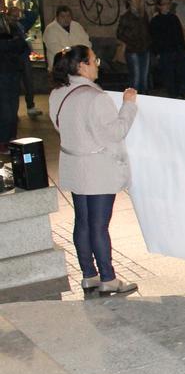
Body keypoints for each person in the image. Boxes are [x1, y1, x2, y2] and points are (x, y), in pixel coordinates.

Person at [48, 45, 140, 296]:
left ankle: (89, 275)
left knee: (83, 222)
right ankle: (108, 278)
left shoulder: (57, 93)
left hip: (75, 165)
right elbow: (116, 132)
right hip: (97, 169)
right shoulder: (96, 97)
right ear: (81, 66)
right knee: (99, 225)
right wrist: (129, 105)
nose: (97, 64)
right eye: (93, 60)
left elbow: (61, 128)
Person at [149, 0, 185, 98]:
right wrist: (157, 52)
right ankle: (173, 95)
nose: (167, 6)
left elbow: (180, 35)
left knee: (179, 73)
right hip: (165, 52)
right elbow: (154, 38)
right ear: (159, 6)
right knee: (169, 75)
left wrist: (183, 49)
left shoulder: (174, 18)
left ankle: (180, 93)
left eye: (168, 4)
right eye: (164, 4)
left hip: (177, 51)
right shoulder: (155, 21)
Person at [6, 3, 40, 117]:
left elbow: (34, 15)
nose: (15, 18)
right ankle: (13, 112)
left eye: (16, 16)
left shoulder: (21, 25)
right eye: (12, 16)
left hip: (23, 57)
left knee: (29, 83)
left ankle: (30, 106)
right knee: (14, 86)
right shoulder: (6, 28)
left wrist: (22, 11)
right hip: (12, 60)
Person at [0, 13, 29, 140]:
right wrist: (12, 44)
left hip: (12, 71)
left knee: (12, 108)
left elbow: (22, 45)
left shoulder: (13, 28)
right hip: (3, 73)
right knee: (6, 109)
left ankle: (11, 137)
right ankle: (4, 139)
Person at [116, 0, 152, 93]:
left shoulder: (143, 15)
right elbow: (119, 34)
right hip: (133, 50)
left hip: (145, 48)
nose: (137, 1)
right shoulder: (126, 17)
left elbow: (147, 30)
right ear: (129, 1)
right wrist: (131, 40)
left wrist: (148, 42)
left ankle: (144, 96)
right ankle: (134, 99)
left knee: (144, 77)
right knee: (136, 77)